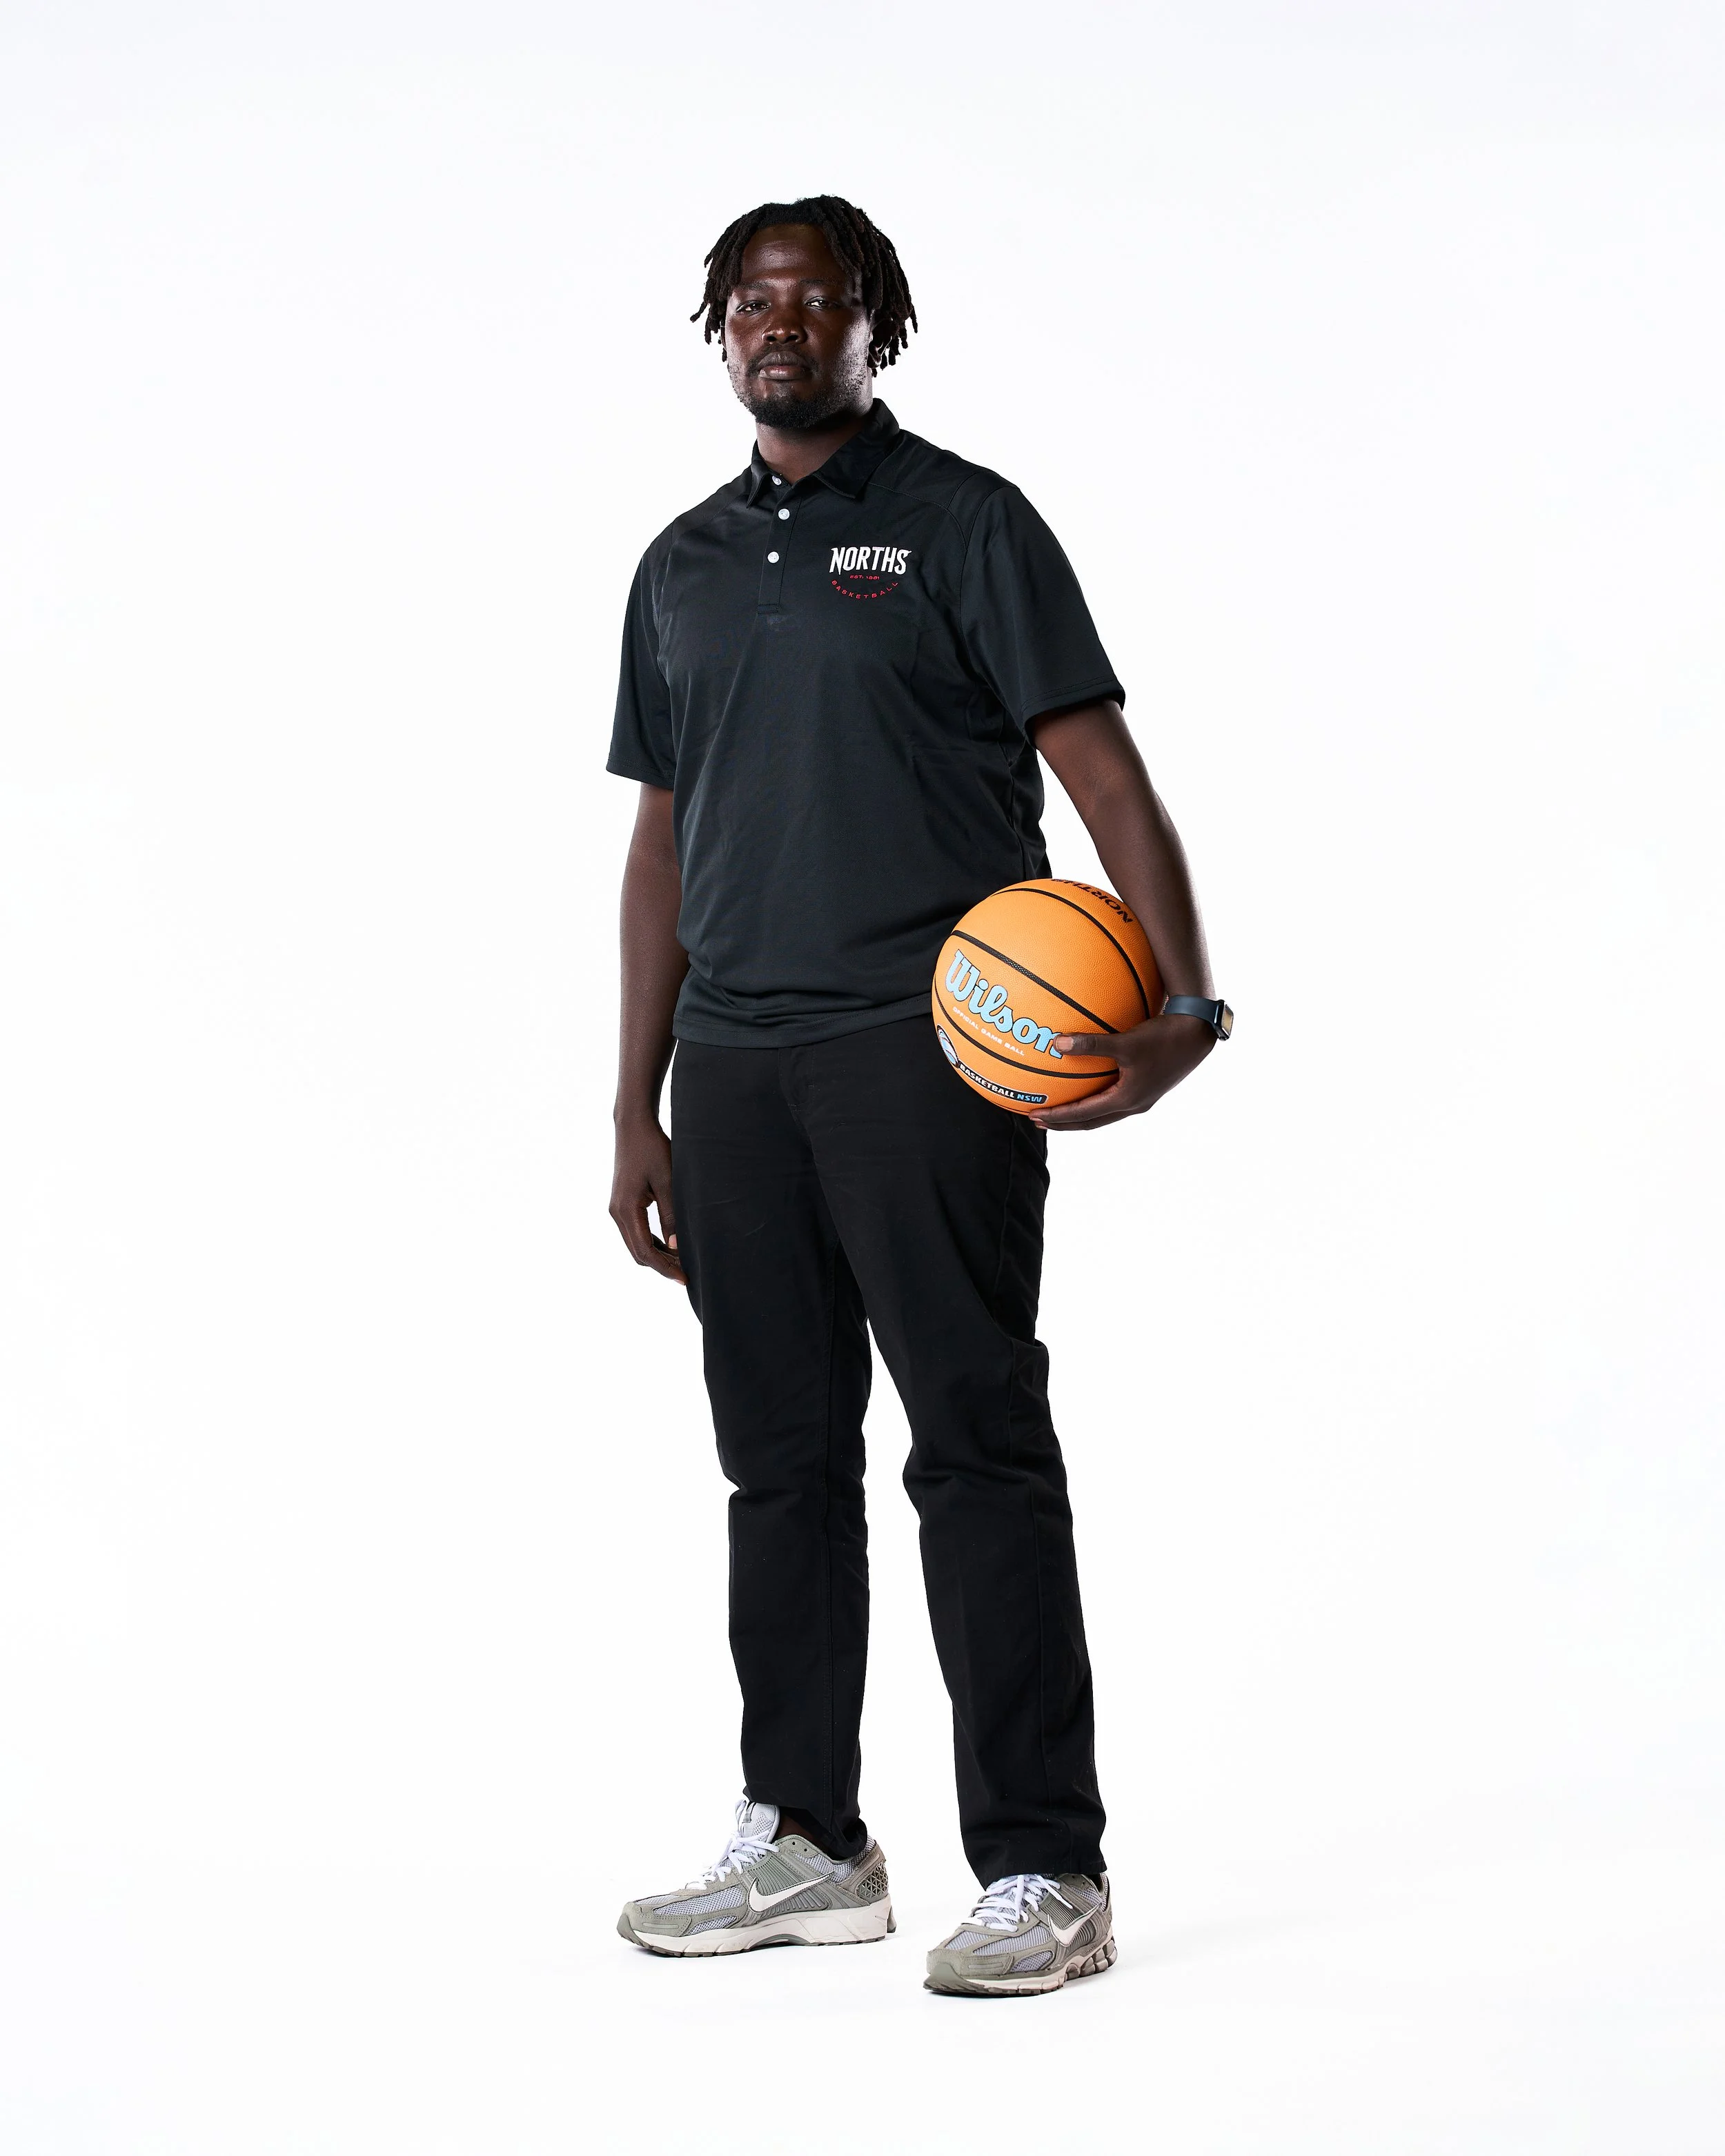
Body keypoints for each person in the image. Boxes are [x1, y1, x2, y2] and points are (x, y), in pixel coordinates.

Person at [606, 195, 1230, 1997]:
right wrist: (632, 1102)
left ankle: (1042, 1861)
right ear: (714, 329)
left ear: (882, 323)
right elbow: (658, 844)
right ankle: (804, 1835)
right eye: (750, 300)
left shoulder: (967, 525)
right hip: (731, 1063)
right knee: (773, 1463)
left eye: (818, 297)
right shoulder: (681, 566)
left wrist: (1184, 1000)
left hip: (925, 1048)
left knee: (972, 1441)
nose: (780, 324)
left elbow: (1098, 772)